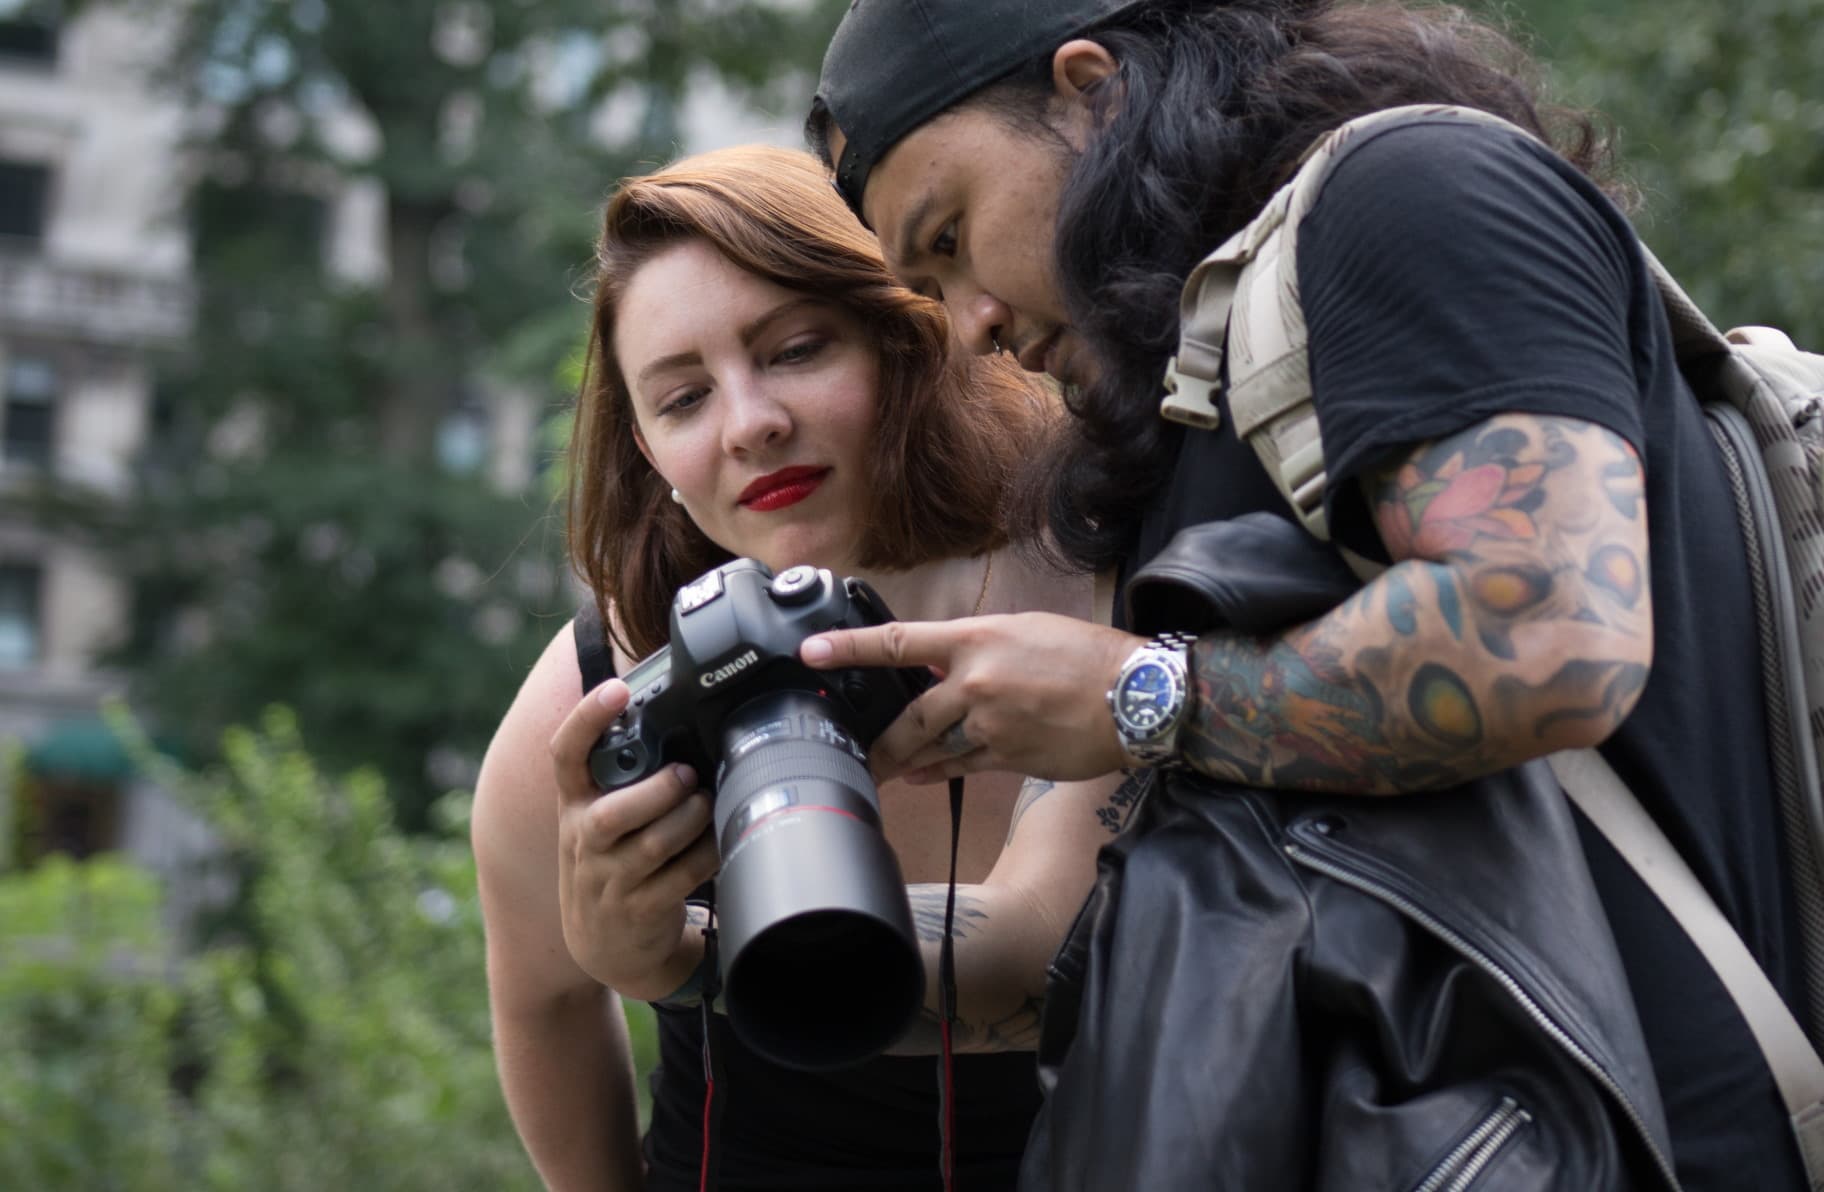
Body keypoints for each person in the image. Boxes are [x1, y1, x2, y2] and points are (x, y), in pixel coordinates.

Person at [798, 1, 1807, 1188]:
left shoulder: (1408, 188)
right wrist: (697, 944)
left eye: (953, 238)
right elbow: (1056, 946)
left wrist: (1144, 695)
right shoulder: (1199, 399)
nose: (971, 328)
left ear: (1092, 91)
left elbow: (1548, 634)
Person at [471, 144, 1127, 1192]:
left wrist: (681, 961)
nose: (751, 423)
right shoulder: (603, 687)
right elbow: (545, 995)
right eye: (682, 400)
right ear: (645, 447)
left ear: (904, 333)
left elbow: (1046, 949)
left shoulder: (1103, 581)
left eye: (795, 350)